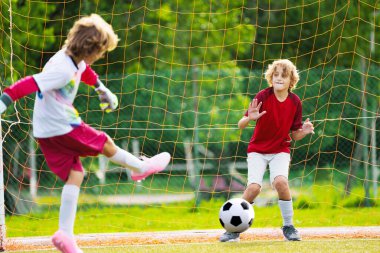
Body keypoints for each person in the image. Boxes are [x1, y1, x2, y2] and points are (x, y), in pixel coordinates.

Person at [0, 14, 171, 253]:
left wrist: (102, 89)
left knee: (75, 174)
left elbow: (85, 71)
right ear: (91, 49)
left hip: (46, 131)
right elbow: (31, 83)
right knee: (105, 143)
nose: (100, 57)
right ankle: (140, 169)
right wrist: (4, 100)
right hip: (62, 126)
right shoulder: (61, 69)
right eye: (101, 52)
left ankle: (65, 235)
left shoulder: (71, 58)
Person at [220, 59, 314, 242]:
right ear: (271, 77)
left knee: (281, 182)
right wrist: (250, 118)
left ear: (291, 80)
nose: (279, 78)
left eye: (284, 75)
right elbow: (240, 124)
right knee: (254, 188)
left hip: (280, 150)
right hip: (257, 150)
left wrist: (303, 131)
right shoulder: (263, 96)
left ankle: (289, 226)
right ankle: (233, 230)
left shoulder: (295, 102)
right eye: (276, 74)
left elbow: (294, 136)